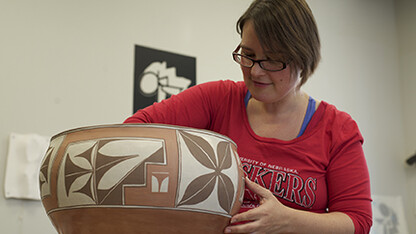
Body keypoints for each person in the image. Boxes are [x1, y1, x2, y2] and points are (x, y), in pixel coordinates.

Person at [124, 0, 372, 233]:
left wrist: (287, 220)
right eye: (248, 55)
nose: (255, 71)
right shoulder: (217, 99)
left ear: (302, 58)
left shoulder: (337, 129)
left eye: (272, 60)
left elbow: (358, 221)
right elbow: (133, 131)